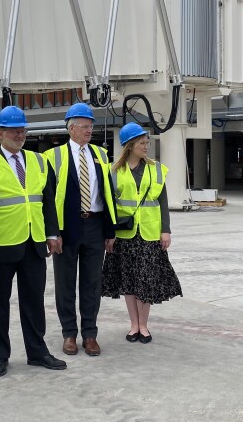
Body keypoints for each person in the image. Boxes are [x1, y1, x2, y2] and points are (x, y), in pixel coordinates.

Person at [0, 105, 66, 377]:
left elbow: (47, 200)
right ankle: (0, 354)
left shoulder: (38, 161)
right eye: (13, 130)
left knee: (34, 301)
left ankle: (37, 352)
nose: (19, 134)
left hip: (33, 243)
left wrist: (52, 233)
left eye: (22, 130)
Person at [44, 103, 116, 357]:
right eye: (85, 126)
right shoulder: (53, 156)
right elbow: (48, 196)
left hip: (95, 225)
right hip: (67, 228)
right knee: (65, 283)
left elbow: (106, 194)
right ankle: (69, 334)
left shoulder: (100, 154)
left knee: (92, 283)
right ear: (71, 128)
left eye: (91, 126)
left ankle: (90, 334)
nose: (89, 130)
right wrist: (53, 233)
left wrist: (110, 231)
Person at [101, 122, 182, 344]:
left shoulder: (156, 168)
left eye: (147, 142)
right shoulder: (113, 171)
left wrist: (165, 230)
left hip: (149, 233)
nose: (146, 146)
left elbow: (163, 201)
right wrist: (110, 234)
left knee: (145, 282)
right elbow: (109, 205)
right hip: (125, 235)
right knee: (128, 282)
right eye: (142, 143)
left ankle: (144, 325)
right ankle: (133, 324)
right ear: (129, 146)